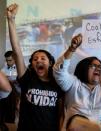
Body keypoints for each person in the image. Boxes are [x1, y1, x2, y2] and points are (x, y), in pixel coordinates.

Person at [53, 32, 101, 130]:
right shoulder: (73, 84)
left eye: (100, 67)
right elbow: (58, 71)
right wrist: (71, 49)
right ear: (84, 68)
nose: (98, 69)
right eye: (93, 66)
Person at [7, 3, 64, 131]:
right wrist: (11, 20)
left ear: (50, 63)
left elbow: (61, 113)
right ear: (32, 65)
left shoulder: (58, 83)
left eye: (43, 58)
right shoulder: (27, 79)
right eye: (35, 59)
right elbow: (17, 51)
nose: (38, 60)